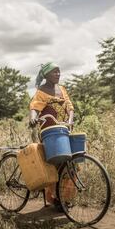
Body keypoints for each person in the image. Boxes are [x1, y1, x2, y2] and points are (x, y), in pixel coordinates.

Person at [29, 62, 74, 208]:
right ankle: (53, 198)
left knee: (69, 164)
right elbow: (34, 107)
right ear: (46, 75)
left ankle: (65, 198)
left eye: (59, 71)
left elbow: (70, 107)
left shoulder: (62, 89)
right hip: (49, 132)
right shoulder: (41, 91)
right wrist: (32, 117)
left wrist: (70, 120)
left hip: (64, 130)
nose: (58, 74)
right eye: (54, 72)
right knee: (53, 164)